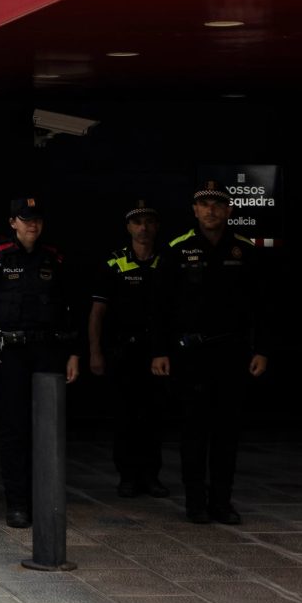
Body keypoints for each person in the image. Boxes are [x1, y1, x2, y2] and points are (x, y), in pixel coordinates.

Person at [151, 180, 268, 525]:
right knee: (193, 430)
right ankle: (195, 503)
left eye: (218, 204)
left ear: (229, 210)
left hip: (232, 352)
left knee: (227, 432)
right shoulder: (177, 249)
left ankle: (221, 501)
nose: (211, 210)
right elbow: (159, 307)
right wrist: (159, 351)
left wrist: (262, 349)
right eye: (205, 204)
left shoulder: (244, 250)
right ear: (194, 210)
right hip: (191, 354)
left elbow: (262, 306)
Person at [0, 197, 81, 528]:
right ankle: (17, 503)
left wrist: (74, 352)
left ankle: (42, 498)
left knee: (47, 429)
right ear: (13, 223)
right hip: (10, 354)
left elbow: (70, 309)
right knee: (14, 429)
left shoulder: (54, 259)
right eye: (25, 219)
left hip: (47, 354)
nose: (33, 225)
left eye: (37, 220)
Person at [88, 199, 169, 498]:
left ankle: (151, 476)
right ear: (128, 227)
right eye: (137, 222)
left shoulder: (168, 259)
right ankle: (128, 476)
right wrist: (95, 352)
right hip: (123, 352)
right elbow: (97, 312)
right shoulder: (114, 262)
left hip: (158, 351)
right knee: (125, 417)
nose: (143, 228)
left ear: (156, 226)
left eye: (149, 222)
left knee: (154, 416)